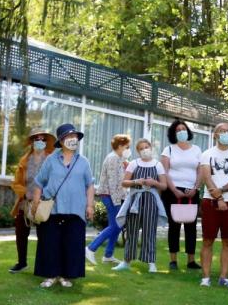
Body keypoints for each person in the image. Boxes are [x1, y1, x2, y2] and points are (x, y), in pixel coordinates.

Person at [31, 123, 96, 288]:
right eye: (69, 136)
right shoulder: (51, 160)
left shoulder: (83, 162)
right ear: (61, 140)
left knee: (72, 244)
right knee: (50, 243)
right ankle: (50, 276)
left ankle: (66, 276)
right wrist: (36, 202)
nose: (73, 139)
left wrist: (90, 206)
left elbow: (90, 185)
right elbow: (39, 182)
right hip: (53, 209)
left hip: (75, 210)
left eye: (74, 136)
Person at [198, 122, 228, 288]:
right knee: (208, 240)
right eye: (222, 131)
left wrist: (222, 193)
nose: (226, 134)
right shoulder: (206, 154)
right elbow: (207, 178)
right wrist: (218, 198)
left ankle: (224, 276)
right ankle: (205, 277)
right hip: (210, 201)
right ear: (215, 135)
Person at [114, 139, 168, 272]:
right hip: (135, 201)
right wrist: (135, 181)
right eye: (142, 148)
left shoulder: (158, 165)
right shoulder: (134, 163)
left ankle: (151, 263)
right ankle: (126, 261)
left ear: (151, 147)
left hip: (151, 200)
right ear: (138, 151)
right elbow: (124, 182)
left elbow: (164, 185)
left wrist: (154, 183)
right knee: (131, 231)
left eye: (147, 147)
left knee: (150, 231)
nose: (145, 150)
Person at [8, 128, 55, 273]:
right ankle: (22, 262)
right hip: (25, 203)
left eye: (43, 139)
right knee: (21, 232)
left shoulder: (52, 159)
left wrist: (42, 195)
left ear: (46, 142)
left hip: (44, 202)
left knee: (44, 235)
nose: (40, 142)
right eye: (37, 139)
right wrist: (25, 193)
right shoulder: (24, 160)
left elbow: (55, 180)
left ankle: (43, 265)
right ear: (32, 142)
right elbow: (15, 183)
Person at [160, 119, 203, 271]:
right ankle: (173, 260)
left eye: (183, 129)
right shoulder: (168, 150)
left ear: (188, 131)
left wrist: (196, 188)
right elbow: (164, 172)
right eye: (177, 130)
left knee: (191, 226)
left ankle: (191, 260)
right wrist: (173, 189)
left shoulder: (197, 150)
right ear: (173, 133)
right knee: (174, 225)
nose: (181, 132)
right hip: (173, 192)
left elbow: (200, 170)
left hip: (192, 191)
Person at [86, 134, 131, 265]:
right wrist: (118, 201)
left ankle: (108, 255)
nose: (129, 150)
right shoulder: (113, 159)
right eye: (127, 147)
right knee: (115, 225)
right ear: (120, 146)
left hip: (115, 196)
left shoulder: (118, 158)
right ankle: (90, 248)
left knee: (117, 226)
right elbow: (113, 183)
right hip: (110, 196)